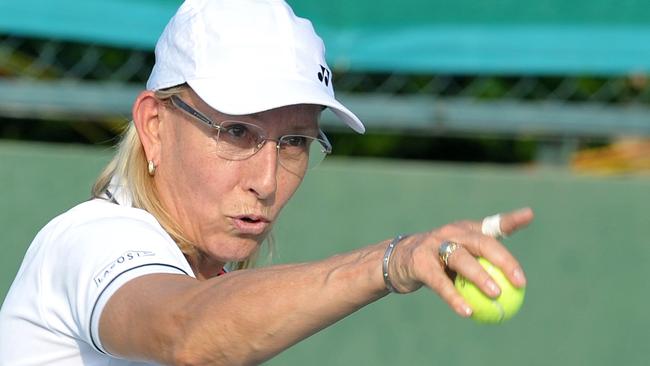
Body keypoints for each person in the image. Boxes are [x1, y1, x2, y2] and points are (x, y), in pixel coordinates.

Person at [0, 0, 534, 365]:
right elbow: (188, 331)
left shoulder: (215, 281)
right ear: (155, 128)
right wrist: (389, 263)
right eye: (236, 131)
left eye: (295, 141)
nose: (266, 180)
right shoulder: (94, 239)